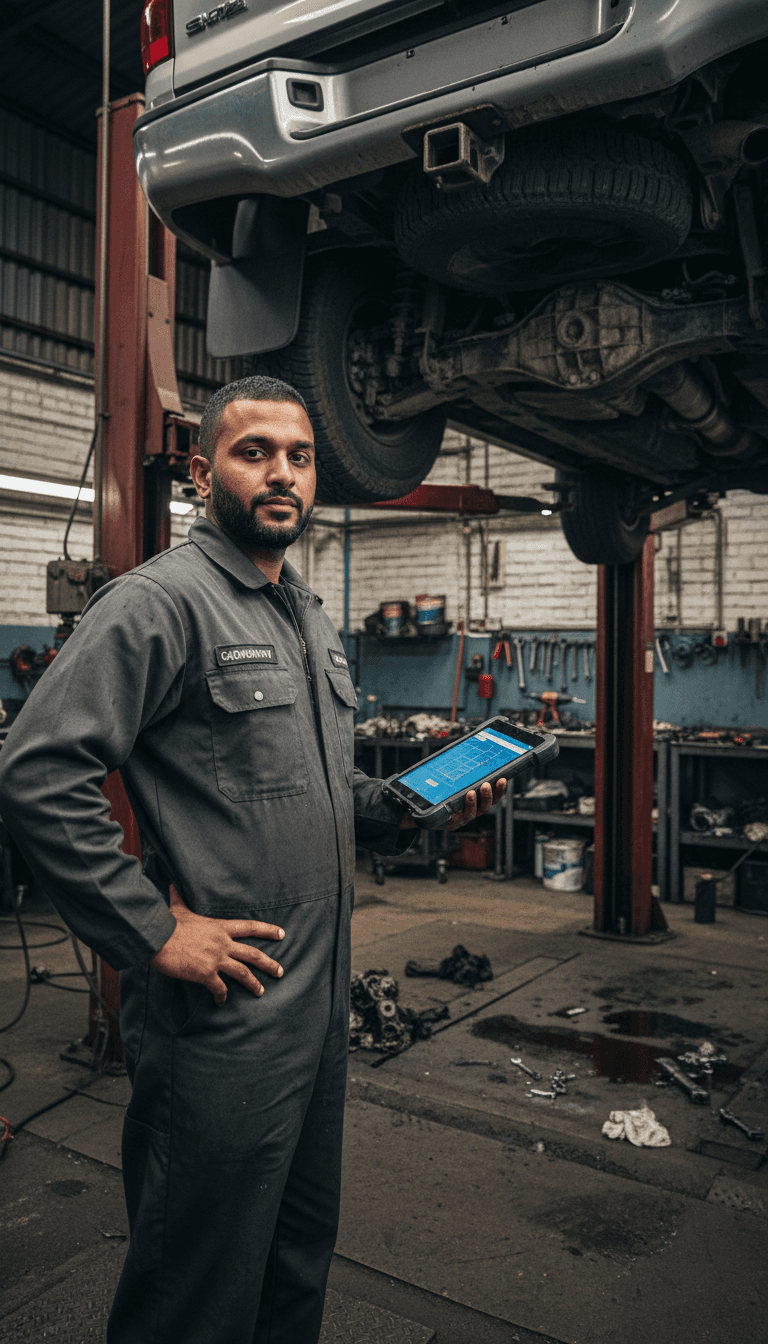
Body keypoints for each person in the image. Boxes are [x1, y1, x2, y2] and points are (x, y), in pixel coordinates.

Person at [0, 375, 504, 1343]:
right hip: (222, 1026)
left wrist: (411, 806)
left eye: (300, 456)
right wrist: (151, 931)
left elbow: (315, 795)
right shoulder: (159, 606)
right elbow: (34, 770)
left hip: (317, 1020)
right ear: (202, 473)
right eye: (254, 451)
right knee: (194, 1290)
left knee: (294, 1265)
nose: (282, 473)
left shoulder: (307, 619)